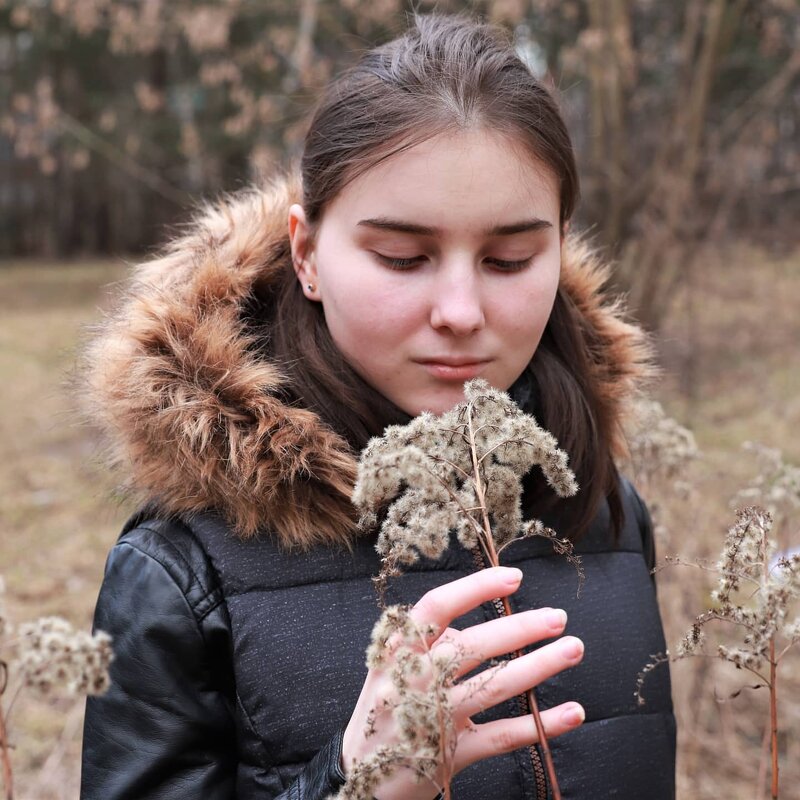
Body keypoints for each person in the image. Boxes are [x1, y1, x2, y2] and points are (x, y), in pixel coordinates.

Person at [79, 12, 675, 800]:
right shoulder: (183, 572)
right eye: (403, 257)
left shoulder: (604, 506)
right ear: (307, 254)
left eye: (509, 259)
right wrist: (354, 784)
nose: (460, 310)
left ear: (561, 250)